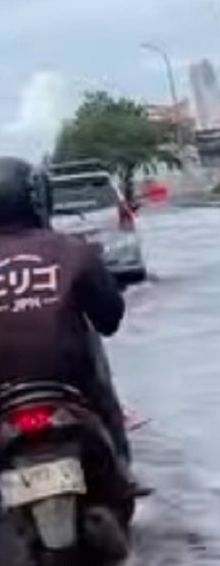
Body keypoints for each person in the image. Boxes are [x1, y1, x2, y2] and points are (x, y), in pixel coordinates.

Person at [0, 157, 135, 487]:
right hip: (69, 386)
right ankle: (122, 473)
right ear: (38, 199)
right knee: (100, 379)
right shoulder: (75, 251)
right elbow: (109, 320)